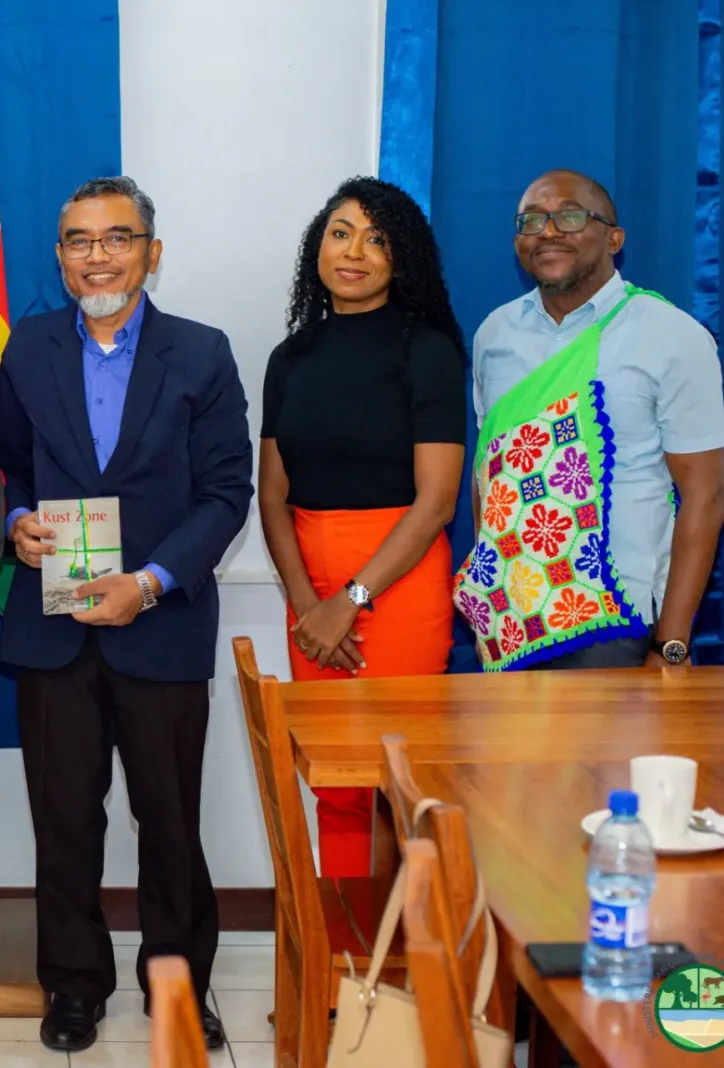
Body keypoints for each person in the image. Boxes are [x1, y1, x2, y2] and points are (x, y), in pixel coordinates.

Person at [0, 176, 253, 1053]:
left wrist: (149, 582)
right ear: (59, 256)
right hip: (53, 629)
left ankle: (178, 983)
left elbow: (226, 492)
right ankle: (73, 987)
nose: (97, 255)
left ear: (152, 251)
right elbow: (7, 464)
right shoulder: (27, 348)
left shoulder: (202, 353)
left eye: (117, 237)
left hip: (161, 625)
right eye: (79, 240)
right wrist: (14, 520)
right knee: (64, 823)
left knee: (170, 822)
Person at [259, 176, 467, 879]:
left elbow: (437, 502)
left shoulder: (428, 352)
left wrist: (349, 600)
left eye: (377, 239)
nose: (354, 252)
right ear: (317, 247)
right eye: (341, 233)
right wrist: (307, 605)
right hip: (310, 588)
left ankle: (409, 942)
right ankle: (345, 943)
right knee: (334, 780)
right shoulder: (289, 358)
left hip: (397, 581)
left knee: (398, 782)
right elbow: (273, 494)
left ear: (401, 257)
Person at [459, 170, 724, 670]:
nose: (548, 232)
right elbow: (490, 474)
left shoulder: (673, 336)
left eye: (570, 216)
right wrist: (488, 602)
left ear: (614, 239)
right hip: (511, 624)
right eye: (531, 221)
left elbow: (705, 496)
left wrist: (671, 645)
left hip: (616, 624)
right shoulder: (494, 335)